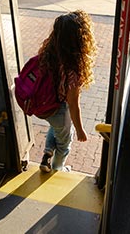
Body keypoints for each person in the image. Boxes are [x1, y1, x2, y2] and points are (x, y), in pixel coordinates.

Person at [38, 10, 97, 173]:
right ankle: (58, 168)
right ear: (80, 39)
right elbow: (73, 104)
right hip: (58, 109)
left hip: (43, 104)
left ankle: (47, 153)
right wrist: (79, 129)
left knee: (56, 128)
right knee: (64, 143)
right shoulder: (73, 68)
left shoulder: (48, 53)